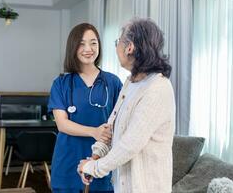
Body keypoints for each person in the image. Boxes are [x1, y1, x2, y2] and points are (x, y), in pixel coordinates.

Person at [77, 18, 176, 193]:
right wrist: (95, 156)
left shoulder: (158, 88)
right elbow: (111, 128)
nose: (116, 48)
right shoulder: (130, 83)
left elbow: (130, 145)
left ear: (129, 47)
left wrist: (94, 167)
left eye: (118, 42)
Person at [48, 23, 122, 193]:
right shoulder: (61, 84)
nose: (88, 48)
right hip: (67, 160)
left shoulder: (113, 82)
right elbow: (62, 124)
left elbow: (120, 121)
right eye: (81, 43)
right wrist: (94, 131)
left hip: (100, 161)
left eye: (93, 43)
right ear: (73, 47)